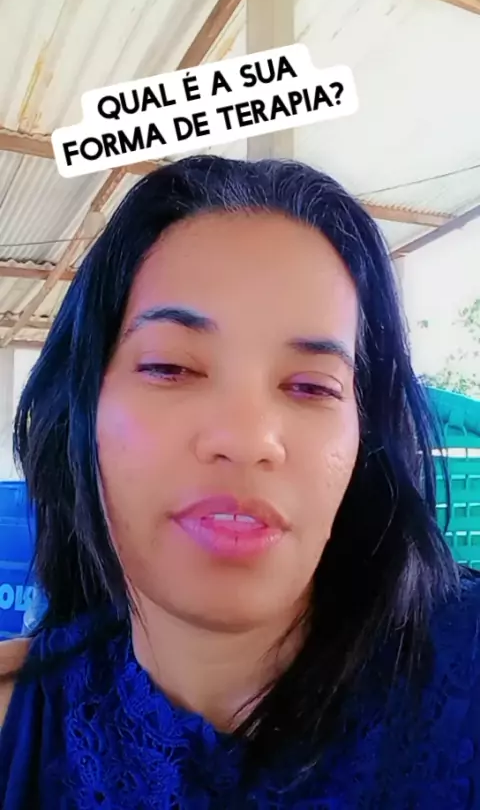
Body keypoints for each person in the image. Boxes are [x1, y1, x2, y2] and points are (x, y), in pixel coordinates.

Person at [0, 155, 479, 809]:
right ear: (78, 413)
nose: (249, 439)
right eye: (171, 367)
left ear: (364, 441)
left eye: (311, 386)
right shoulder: (20, 729)